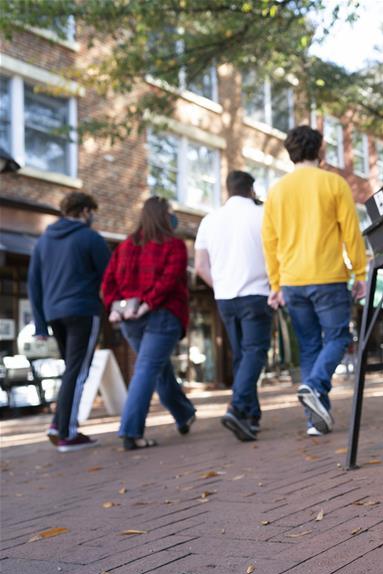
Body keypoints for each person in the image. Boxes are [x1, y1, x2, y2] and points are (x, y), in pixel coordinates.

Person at [262, 125, 368, 436]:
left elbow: (269, 241)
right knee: (337, 338)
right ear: (319, 150)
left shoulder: (276, 191)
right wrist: (360, 272)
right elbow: (351, 231)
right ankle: (314, 384)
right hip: (327, 277)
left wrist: (275, 284)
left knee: (309, 346)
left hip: (293, 281)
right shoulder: (333, 184)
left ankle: (315, 423)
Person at [101, 196, 196, 450]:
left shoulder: (125, 247)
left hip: (132, 320)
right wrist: (148, 303)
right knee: (147, 370)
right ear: (163, 216)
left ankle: (184, 413)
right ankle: (131, 432)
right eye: (170, 212)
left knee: (157, 369)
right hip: (162, 315)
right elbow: (169, 279)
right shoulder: (174, 245)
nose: (173, 216)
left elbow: (107, 282)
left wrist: (116, 306)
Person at [27, 191, 110, 452]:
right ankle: (67, 434)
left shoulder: (43, 241)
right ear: (85, 211)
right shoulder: (90, 238)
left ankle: (57, 424)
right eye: (92, 212)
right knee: (79, 371)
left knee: (71, 370)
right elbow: (110, 277)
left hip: (54, 314)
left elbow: (34, 285)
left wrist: (40, 325)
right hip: (83, 310)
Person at [196, 171, 272, 442]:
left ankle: (251, 416)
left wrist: (222, 286)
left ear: (227, 189)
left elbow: (200, 267)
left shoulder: (210, 220)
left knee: (242, 355)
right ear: (252, 189)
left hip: (225, 297)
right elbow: (276, 253)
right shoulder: (263, 215)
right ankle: (237, 407)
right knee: (255, 352)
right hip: (256, 293)